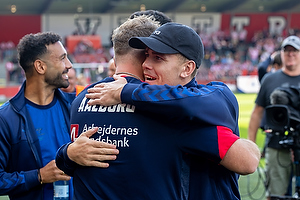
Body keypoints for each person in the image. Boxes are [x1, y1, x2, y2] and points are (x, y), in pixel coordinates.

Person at [57, 20, 260, 199]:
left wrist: (66, 154)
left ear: (187, 68)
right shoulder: (170, 116)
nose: (146, 64)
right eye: (147, 56)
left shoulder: (83, 99)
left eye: (157, 58)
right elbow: (248, 159)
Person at [0, 32, 118, 200]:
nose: (69, 65)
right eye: (63, 58)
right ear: (40, 67)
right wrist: (39, 176)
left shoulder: (77, 107)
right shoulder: (6, 119)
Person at [248, 35, 300, 199]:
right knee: (275, 194)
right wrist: (251, 144)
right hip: (275, 145)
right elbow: (257, 112)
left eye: (295, 51)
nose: (290, 54)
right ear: (282, 54)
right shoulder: (270, 79)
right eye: (287, 50)